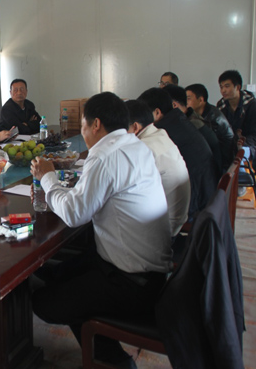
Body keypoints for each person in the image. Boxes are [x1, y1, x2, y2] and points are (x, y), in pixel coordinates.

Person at [30, 92, 172, 369]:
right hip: (149, 272)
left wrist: (47, 177)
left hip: (132, 284)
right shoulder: (134, 144)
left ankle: (115, 361)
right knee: (57, 273)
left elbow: (74, 214)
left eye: (83, 124)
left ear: (95, 124)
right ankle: (104, 352)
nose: (82, 131)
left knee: (44, 303)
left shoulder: (105, 155)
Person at [138, 88, 217, 219]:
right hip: (205, 193)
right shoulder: (179, 121)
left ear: (157, 112)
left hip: (195, 205)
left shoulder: (163, 132)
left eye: (145, 114)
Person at [126, 99, 190, 237]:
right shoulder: (160, 134)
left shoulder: (143, 148)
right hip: (176, 217)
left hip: (163, 229)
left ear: (135, 127)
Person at [164, 84, 223, 176]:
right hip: (211, 175)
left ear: (174, 105)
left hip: (208, 176)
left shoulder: (190, 125)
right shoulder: (192, 117)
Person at [216, 70, 256, 159]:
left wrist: (236, 143)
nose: (223, 90)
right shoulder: (221, 105)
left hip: (248, 147)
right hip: (228, 147)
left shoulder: (252, 105)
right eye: (221, 87)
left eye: (227, 86)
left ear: (238, 87)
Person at [186, 83, 235, 169]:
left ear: (200, 100)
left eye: (188, 98)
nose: (185, 102)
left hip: (223, 163)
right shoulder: (205, 112)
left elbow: (209, 145)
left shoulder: (213, 119)